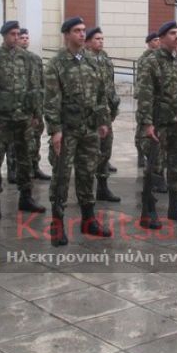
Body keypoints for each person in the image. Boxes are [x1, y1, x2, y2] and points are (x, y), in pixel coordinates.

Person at [44, 16, 112, 245]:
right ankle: (57, 222)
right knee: (62, 175)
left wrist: (103, 121)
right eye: (77, 31)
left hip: (90, 128)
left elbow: (100, 94)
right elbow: (52, 100)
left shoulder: (92, 61)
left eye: (84, 30)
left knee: (87, 173)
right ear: (66, 35)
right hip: (68, 129)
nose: (82, 34)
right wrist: (55, 130)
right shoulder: (57, 64)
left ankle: (88, 219)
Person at [0, 21, 45, 220]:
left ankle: (26, 197)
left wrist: (36, 113)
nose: (16, 38)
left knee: (26, 158)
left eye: (18, 34)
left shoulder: (27, 58)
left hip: (23, 117)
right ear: (4, 36)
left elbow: (35, 86)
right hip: (3, 118)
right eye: (12, 34)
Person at [135, 20, 177, 223]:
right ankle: (148, 210)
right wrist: (147, 123)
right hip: (158, 124)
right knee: (154, 167)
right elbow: (144, 94)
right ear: (161, 39)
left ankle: (175, 208)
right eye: (172, 33)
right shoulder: (151, 62)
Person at [86, 27, 121, 202]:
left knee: (105, 149)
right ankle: (84, 190)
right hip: (89, 115)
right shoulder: (85, 60)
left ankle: (102, 187)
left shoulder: (106, 60)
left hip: (105, 113)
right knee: (88, 152)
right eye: (97, 38)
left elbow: (110, 85)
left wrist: (113, 108)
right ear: (89, 41)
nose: (100, 41)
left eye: (102, 38)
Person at [18, 28, 51, 182]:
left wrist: (41, 106)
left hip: (36, 107)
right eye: (22, 37)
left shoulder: (36, 59)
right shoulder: (15, 59)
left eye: (26, 37)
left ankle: (35, 166)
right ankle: (17, 170)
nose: (25, 40)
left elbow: (42, 82)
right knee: (19, 142)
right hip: (20, 109)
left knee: (36, 137)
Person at [135, 32, 160, 169]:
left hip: (155, 98)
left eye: (158, 40)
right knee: (141, 126)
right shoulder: (144, 59)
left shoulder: (159, 56)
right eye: (155, 40)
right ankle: (140, 153)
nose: (158, 42)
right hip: (144, 96)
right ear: (149, 42)